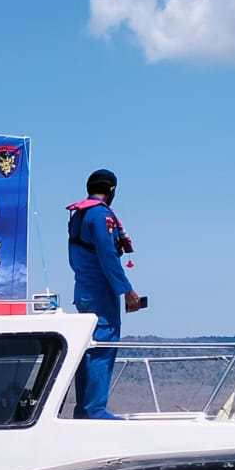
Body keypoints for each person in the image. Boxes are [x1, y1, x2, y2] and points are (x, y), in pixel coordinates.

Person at [66, 168, 144, 418]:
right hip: (100, 291)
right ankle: (94, 410)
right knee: (102, 346)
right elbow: (108, 256)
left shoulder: (79, 214)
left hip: (84, 288)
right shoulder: (100, 215)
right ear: (112, 190)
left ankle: (84, 409)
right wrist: (127, 290)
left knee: (87, 347)